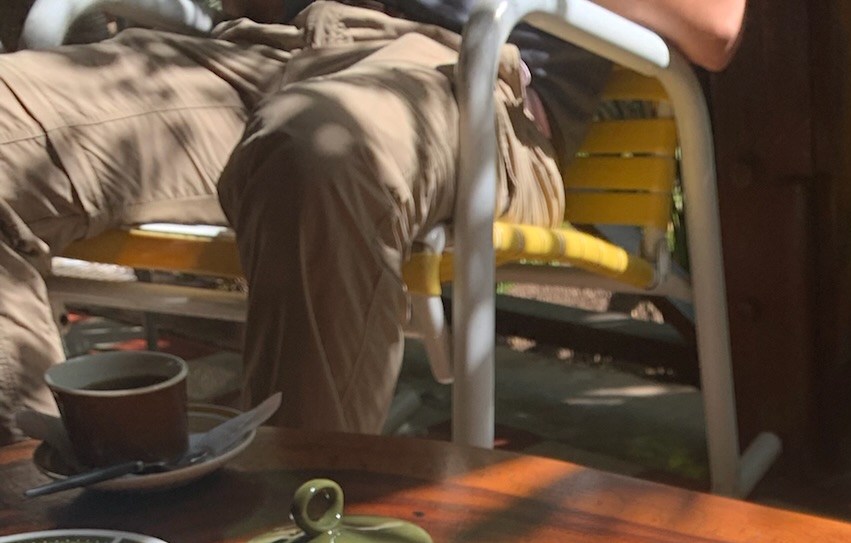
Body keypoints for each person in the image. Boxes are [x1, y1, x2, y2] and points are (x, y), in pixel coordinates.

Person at [0, 0, 745, 437]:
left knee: (321, 146)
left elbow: (714, 24)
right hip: (253, 51)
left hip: (469, 79)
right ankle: (45, 530)